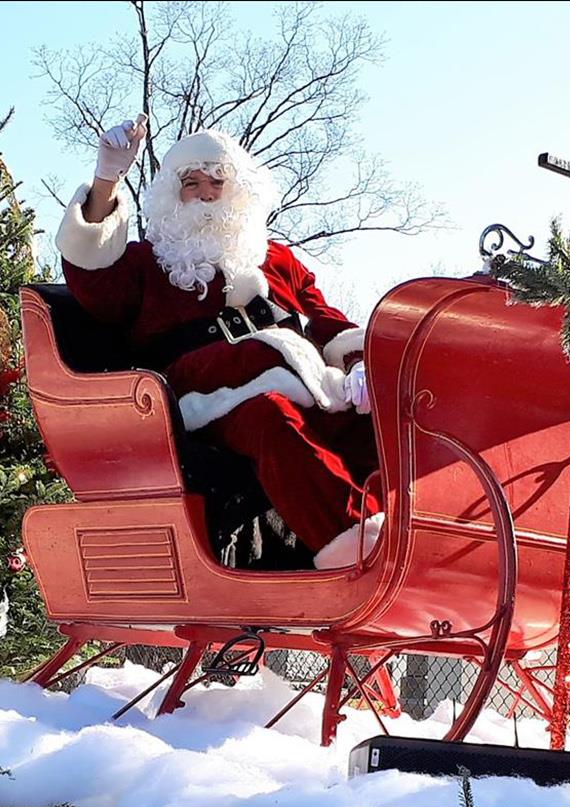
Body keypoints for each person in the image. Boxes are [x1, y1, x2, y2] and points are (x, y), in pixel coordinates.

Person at [55, 114, 381, 568]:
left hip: (311, 385)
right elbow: (92, 277)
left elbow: (326, 321)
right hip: (204, 398)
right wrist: (106, 180)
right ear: (173, 196)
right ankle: (360, 548)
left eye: (217, 182)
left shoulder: (276, 260)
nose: (206, 194)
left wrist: (363, 363)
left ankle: (419, 532)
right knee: (271, 415)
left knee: (379, 420)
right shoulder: (148, 262)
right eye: (191, 183)